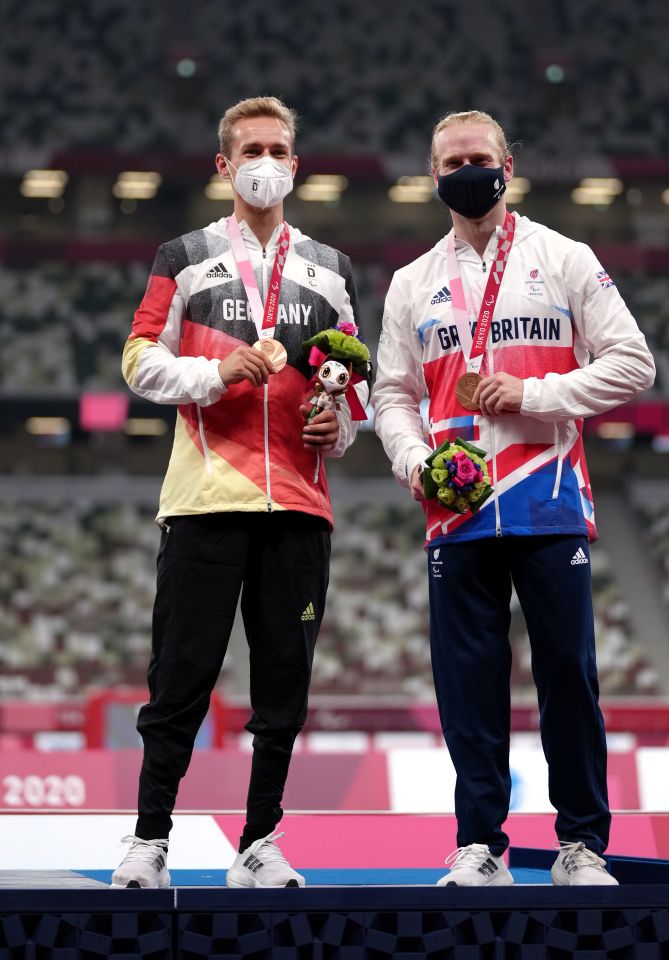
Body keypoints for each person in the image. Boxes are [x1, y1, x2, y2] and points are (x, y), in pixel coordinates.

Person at [372, 110, 655, 887]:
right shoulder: (411, 283)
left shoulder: (563, 257)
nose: (467, 170)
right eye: (451, 161)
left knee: (567, 673)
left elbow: (633, 364)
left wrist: (534, 393)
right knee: (467, 685)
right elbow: (390, 395)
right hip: (454, 508)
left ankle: (581, 846)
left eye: (479, 157)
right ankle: (479, 844)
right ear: (433, 177)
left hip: (546, 498)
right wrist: (413, 461)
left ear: (506, 164)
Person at [112, 96, 370, 889]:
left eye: (279, 148)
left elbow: (353, 387)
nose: (266, 161)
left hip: (298, 504)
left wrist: (343, 427)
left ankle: (259, 842)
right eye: (250, 148)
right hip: (204, 499)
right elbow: (137, 361)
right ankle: (150, 841)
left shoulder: (331, 269)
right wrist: (216, 371)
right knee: (180, 678)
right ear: (224, 165)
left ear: (296, 164)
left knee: (282, 688)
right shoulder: (181, 256)